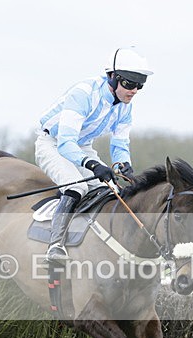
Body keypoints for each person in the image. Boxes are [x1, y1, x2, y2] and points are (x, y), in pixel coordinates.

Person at [35, 47, 153, 263]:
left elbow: (120, 144)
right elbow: (66, 143)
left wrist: (123, 166)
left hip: (82, 146)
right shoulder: (84, 94)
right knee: (76, 186)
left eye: (140, 85)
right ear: (113, 77)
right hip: (53, 143)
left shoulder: (126, 107)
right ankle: (55, 246)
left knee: (111, 189)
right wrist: (92, 164)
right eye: (129, 83)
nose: (134, 90)